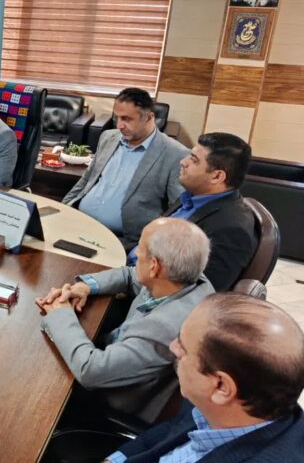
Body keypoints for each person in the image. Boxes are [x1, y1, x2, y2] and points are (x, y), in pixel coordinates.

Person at [36, 218, 214, 423]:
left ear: (154, 267)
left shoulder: (164, 327)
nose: (135, 253)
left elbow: (91, 371)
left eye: (141, 249)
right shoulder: (187, 280)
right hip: (111, 361)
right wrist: (85, 287)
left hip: (102, 402)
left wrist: (60, 312)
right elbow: (131, 275)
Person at [106, 293, 304, 462]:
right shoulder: (217, 409)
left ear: (221, 386)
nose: (173, 347)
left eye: (183, 347)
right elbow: (166, 434)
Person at [126, 132, 257, 291]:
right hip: (130, 267)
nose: (183, 162)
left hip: (140, 289)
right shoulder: (193, 194)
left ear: (217, 176)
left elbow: (198, 293)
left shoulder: (231, 230)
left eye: (194, 160)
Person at [63, 88, 187, 250]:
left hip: (123, 241)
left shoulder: (175, 154)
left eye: (127, 119)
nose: (119, 125)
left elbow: (177, 210)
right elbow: (86, 180)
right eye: (117, 117)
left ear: (149, 117)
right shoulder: (108, 137)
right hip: (79, 224)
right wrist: (63, 208)